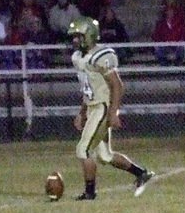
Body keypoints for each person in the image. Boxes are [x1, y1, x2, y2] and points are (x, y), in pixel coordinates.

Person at [66, 16, 155, 199]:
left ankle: (90, 193)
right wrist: (82, 112)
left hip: (103, 108)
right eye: (74, 36)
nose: (75, 40)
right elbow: (88, 88)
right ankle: (141, 174)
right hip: (92, 106)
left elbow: (117, 86)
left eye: (79, 36)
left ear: (89, 35)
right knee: (105, 156)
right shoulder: (78, 57)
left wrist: (113, 113)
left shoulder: (101, 55)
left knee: (83, 150)